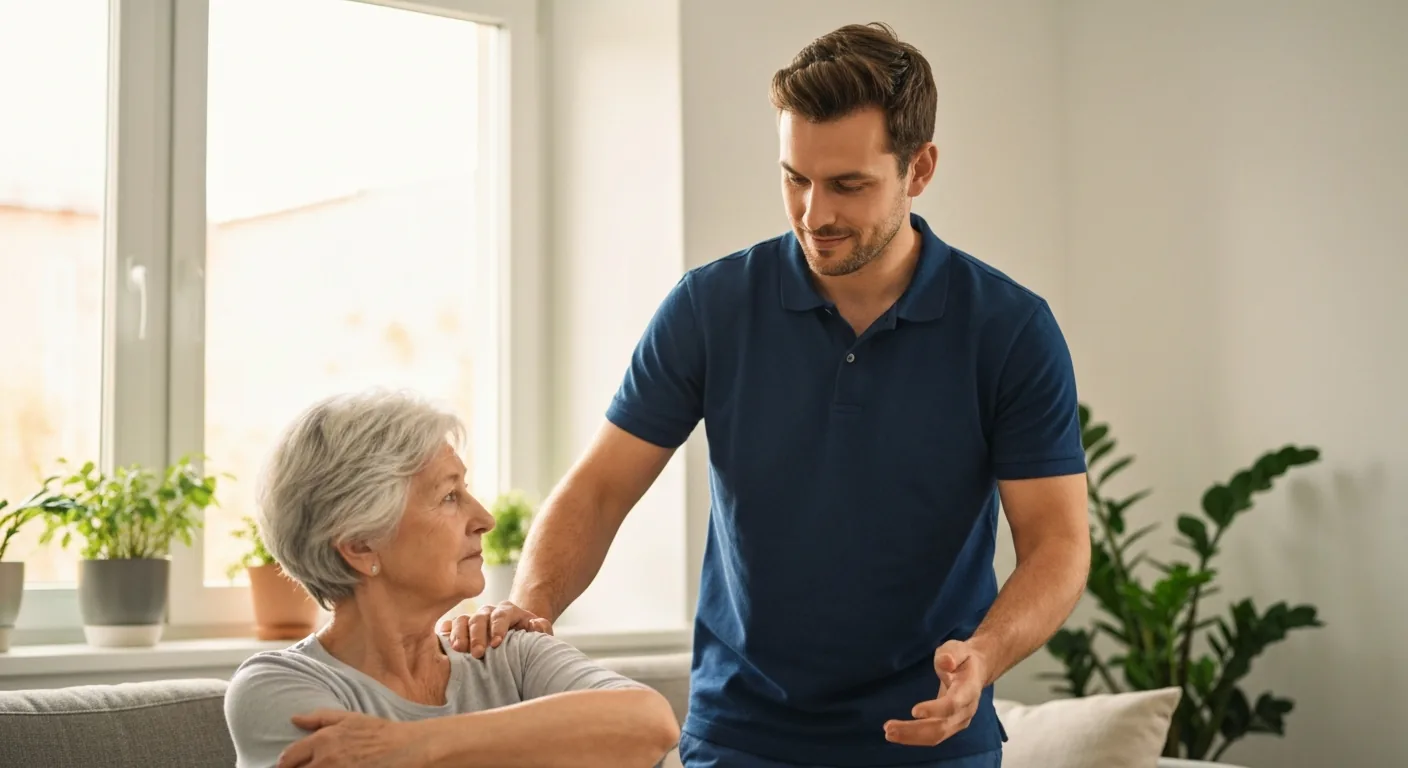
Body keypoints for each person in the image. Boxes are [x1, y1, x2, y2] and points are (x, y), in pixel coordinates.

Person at [446, 21, 1090, 768]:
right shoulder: (709, 309)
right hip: (742, 737)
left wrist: (984, 655)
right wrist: (532, 607)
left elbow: (1057, 543)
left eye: (849, 184)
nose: (815, 214)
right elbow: (599, 489)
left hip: (929, 739)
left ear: (920, 170)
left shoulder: (1009, 330)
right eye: (795, 177)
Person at [223, 389, 680, 768]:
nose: (484, 518)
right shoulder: (278, 691)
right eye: (448, 496)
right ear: (361, 545)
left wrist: (410, 746)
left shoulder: (507, 653)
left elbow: (648, 723)